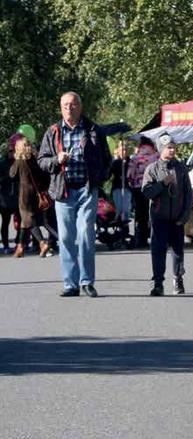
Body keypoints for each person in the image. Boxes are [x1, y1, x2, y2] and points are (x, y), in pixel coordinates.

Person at [36, 91, 112, 297]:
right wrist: (56, 160)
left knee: (86, 232)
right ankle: (71, 284)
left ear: (81, 107)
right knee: (67, 237)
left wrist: (99, 178)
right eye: (66, 105)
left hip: (87, 189)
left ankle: (87, 281)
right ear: (61, 108)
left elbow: (107, 159)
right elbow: (42, 160)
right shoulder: (53, 132)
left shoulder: (93, 129)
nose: (69, 108)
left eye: (73, 104)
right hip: (64, 191)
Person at [141, 136, 192, 295]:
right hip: (159, 218)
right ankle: (158, 283)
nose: (172, 150)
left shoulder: (181, 168)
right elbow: (146, 192)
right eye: (168, 147)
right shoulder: (152, 169)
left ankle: (178, 277)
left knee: (178, 251)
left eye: (173, 147)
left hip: (177, 218)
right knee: (158, 251)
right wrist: (162, 183)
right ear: (160, 149)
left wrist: (184, 215)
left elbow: (188, 193)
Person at [9, 137, 51, 258]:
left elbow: (12, 174)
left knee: (28, 220)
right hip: (36, 193)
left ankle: (42, 243)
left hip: (24, 194)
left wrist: (15, 160)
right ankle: (20, 247)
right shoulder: (35, 159)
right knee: (25, 220)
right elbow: (43, 175)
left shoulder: (20, 160)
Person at [128, 137, 159, 248]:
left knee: (140, 214)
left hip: (138, 187)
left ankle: (141, 239)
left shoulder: (136, 157)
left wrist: (131, 181)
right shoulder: (156, 156)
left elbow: (130, 174)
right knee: (155, 212)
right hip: (154, 187)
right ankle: (157, 238)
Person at [0, 135, 20, 254]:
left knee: (22, 221)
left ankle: (19, 242)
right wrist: (7, 178)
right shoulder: (2, 164)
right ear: (7, 152)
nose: (12, 153)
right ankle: (6, 245)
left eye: (14, 151)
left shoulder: (18, 163)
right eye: (10, 151)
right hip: (4, 198)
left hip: (17, 196)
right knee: (5, 222)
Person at [109, 140, 133, 227]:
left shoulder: (130, 162)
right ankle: (119, 228)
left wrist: (128, 178)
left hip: (126, 187)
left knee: (126, 209)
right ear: (118, 150)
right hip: (117, 187)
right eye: (122, 150)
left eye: (126, 150)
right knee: (119, 209)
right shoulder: (115, 162)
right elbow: (109, 174)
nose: (124, 152)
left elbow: (133, 174)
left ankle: (125, 229)